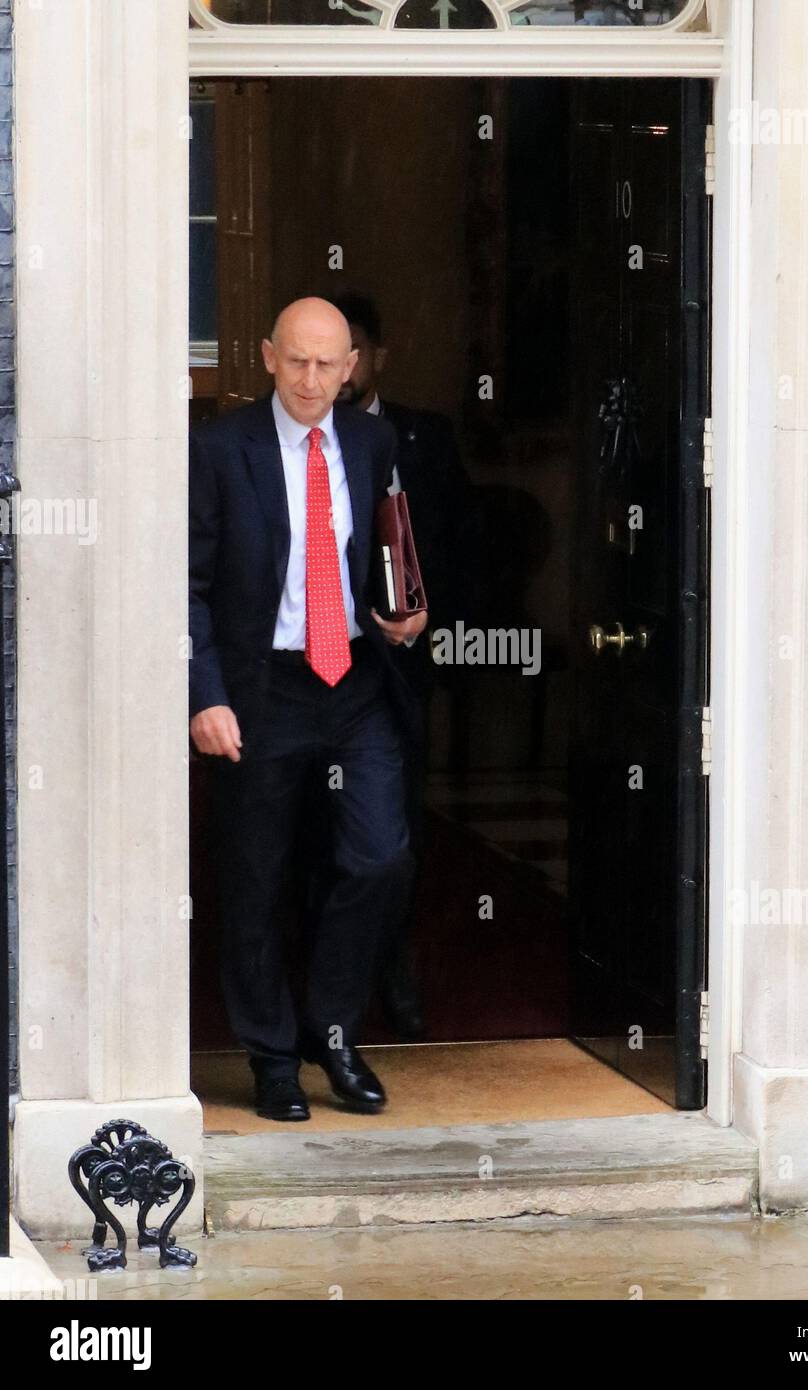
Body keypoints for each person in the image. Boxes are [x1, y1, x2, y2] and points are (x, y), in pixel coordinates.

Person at [189, 297, 427, 1122]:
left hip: (353, 682)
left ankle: (331, 1031)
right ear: (266, 356)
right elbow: (186, 587)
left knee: (378, 856)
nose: (312, 380)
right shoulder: (221, 449)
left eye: (329, 364)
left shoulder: (369, 440)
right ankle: (271, 1058)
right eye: (297, 361)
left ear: (352, 367)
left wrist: (398, 612)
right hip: (262, 688)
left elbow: (381, 553)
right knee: (255, 878)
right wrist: (206, 695)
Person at [332, 291, 471, 1041]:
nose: (339, 367)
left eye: (352, 350)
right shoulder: (286, 439)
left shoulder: (425, 437)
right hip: (312, 670)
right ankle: (324, 996)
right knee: (310, 837)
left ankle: (394, 966)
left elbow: (455, 541)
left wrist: (426, 616)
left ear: (374, 356)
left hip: (399, 672)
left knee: (393, 836)